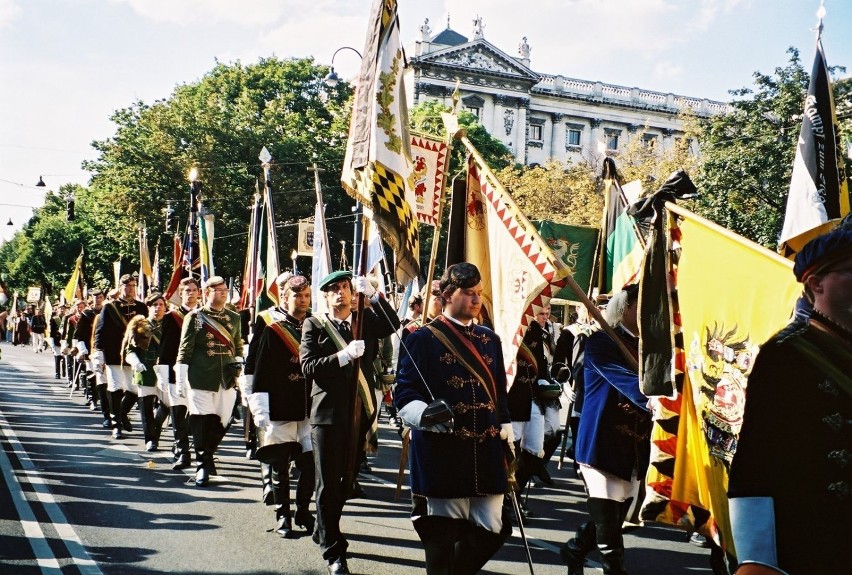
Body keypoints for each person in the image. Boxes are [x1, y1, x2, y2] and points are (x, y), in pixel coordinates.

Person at [728, 224, 852, 575]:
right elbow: (755, 465)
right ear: (816, 283)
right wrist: (758, 559)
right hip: (811, 543)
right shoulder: (786, 353)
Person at [394, 262, 513, 575]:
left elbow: (499, 391)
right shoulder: (421, 339)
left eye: (478, 293)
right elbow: (404, 394)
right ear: (447, 295)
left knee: (493, 530)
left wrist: (507, 426)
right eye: (468, 293)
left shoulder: (490, 340)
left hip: (486, 450)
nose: (476, 300)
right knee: (442, 535)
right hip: (444, 452)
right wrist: (425, 412)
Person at [300, 270, 400, 575]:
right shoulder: (314, 325)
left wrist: (371, 294)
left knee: (347, 481)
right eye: (334, 289)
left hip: (360, 413)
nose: (341, 293)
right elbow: (308, 367)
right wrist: (343, 356)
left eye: (345, 287)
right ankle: (334, 551)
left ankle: (324, 526)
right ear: (326, 295)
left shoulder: (364, 319)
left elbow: (393, 324)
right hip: (328, 415)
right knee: (328, 483)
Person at [560, 284, 650, 575]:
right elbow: (620, 377)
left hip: (634, 446)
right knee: (611, 530)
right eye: (642, 306)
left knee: (611, 519)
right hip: (602, 439)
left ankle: (574, 549)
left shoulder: (650, 347)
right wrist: (653, 398)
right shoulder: (601, 342)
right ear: (625, 308)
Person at [244, 273, 315, 539]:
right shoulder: (272, 327)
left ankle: (304, 510)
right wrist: (258, 402)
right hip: (280, 401)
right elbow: (258, 366)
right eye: (297, 295)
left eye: (306, 295)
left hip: (308, 405)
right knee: (280, 463)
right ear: (284, 297)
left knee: (310, 463)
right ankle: (283, 515)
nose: (303, 300)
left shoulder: (315, 324)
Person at [175, 275, 243, 487]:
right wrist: (180, 379)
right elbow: (185, 349)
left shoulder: (234, 317)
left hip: (227, 377)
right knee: (202, 420)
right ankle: (202, 465)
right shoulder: (195, 317)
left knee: (223, 420)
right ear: (206, 293)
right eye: (217, 289)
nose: (223, 292)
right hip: (201, 376)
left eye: (224, 289)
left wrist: (239, 368)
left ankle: (208, 453)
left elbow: (238, 346)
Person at [93, 275, 148, 439]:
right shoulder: (110, 307)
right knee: (116, 387)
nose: (130, 288)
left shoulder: (141, 307)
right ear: (120, 287)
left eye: (133, 285)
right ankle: (116, 424)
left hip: (135, 355)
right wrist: (98, 352)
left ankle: (122, 413)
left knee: (134, 389)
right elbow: (100, 331)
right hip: (114, 353)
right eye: (127, 285)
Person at [156, 277, 200, 469]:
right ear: (180, 293)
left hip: (200, 373)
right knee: (178, 412)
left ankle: (194, 448)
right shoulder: (171, 318)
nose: (191, 294)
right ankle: (183, 452)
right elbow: (165, 348)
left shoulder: (204, 316)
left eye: (194, 290)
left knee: (201, 417)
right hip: (176, 371)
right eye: (187, 290)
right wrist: (164, 375)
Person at [124, 293, 168, 452]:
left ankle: (155, 430)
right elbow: (129, 350)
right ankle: (150, 439)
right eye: (154, 304)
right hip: (145, 370)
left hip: (165, 370)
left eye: (161, 304)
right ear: (148, 307)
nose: (158, 307)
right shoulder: (139, 325)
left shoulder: (171, 323)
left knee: (168, 405)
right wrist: (135, 362)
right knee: (146, 406)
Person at [49, 304, 68, 380]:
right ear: (57, 310)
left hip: (64, 341)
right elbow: (52, 331)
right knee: (57, 357)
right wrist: (52, 342)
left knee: (64, 358)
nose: (62, 310)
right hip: (56, 340)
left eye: (63, 309)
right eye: (60, 309)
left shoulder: (67, 318)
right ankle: (57, 373)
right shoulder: (54, 319)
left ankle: (64, 371)